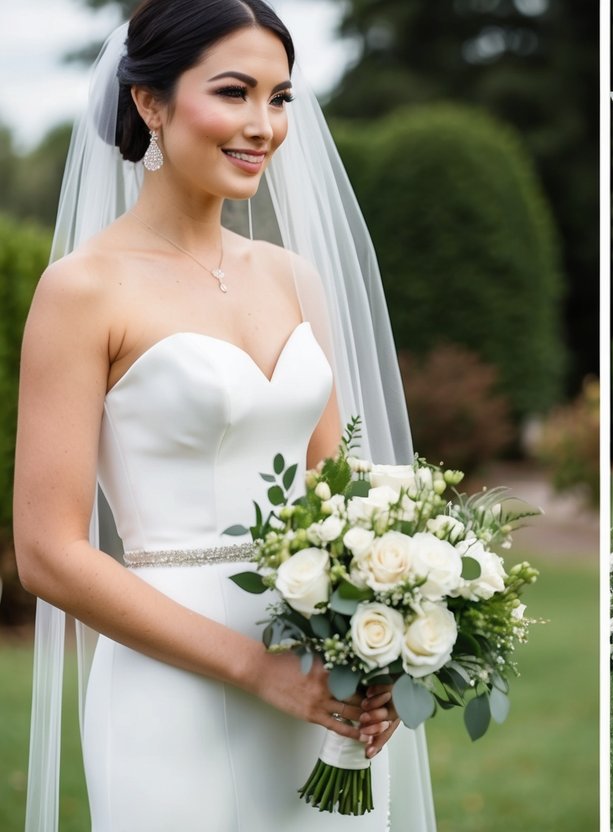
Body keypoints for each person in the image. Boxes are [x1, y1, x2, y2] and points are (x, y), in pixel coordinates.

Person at [14, 1, 435, 828]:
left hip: (325, 676)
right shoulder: (82, 290)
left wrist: (389, 636)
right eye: (235, 92)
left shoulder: (292, 277)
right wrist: (257, 670)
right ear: (151, 103)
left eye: (279, 98)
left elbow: (340, 494)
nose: (265, 125)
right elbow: (48, 553)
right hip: (171, 689)